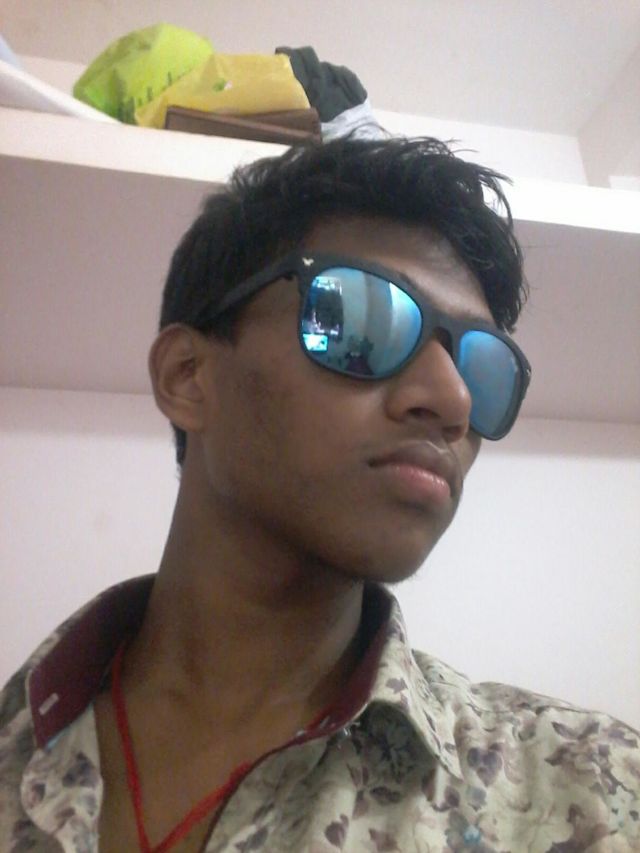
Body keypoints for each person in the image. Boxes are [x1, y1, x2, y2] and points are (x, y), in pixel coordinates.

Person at [1, 137, 637, 853]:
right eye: (363, 321)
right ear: (187, 375)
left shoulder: (589, 787)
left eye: (482, 370)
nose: (453, 400)